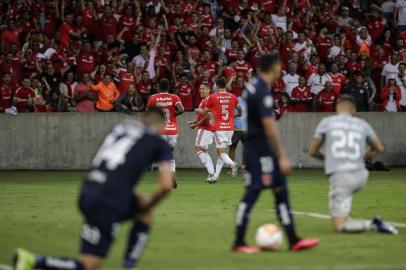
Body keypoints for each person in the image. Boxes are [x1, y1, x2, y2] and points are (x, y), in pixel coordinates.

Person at [13, 108, 175, 270]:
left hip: (88, 189)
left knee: (143, 211)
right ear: (161, 126)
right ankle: (33, 261)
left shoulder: (119, 128)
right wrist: (151, 202)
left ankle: (129, 265)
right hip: (108, 200)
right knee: (89, 264)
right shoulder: (158, 142)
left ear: (140, 119)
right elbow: (166, 185)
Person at [233, 53, 320, 254]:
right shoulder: (261, 90)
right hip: (260, 152)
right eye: (279, 65)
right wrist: (281, 155)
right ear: (273, 67)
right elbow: (268, 125)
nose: (281, 69)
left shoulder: (253, 86)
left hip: (261, 150)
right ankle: (238, 242)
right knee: (252, 193)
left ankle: (293, 239)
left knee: (281, 191)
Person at [308, 95, 398, 234]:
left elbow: (312, 151)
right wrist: (360, 158)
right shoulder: (362, 124)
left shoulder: (327, 122)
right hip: (361, 175)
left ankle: (373, 224)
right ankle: (347, 209)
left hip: (342, 176)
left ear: (337, 108)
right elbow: (379, 148)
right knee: (346, 196)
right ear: (354, 110)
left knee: (339, 226)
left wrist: (328, 159)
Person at [204, 77, 240, 183]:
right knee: (221, 151)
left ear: (217, 86)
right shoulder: (233, 96)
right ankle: (216, 176)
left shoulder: (212, 97)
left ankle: (233, 164)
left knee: (221, 152)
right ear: (225, 85)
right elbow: (240, 109)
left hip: (219, 127)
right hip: (230, 128)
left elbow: (205, 111)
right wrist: (234, 115)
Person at [147, 78, 184, 178]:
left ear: (158, 87)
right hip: (172, 130)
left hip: (160, 130)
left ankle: (164, 175)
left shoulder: (153, 98)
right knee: (170, 151)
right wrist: (174, 114)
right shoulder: (174, 97)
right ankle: (171, 172)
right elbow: (181, 109)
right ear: (169, 87)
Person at [189, 84, 216, 181]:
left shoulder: (207, 101)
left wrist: (195, 125)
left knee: (198, 150)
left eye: (203, 89)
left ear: (209, 90)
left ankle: (211, 173)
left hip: (205, 128)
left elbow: (207, 117)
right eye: (200, 88)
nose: (201, 90)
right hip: (208, 129)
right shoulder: (205, 100)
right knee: (204, 151)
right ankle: (212, 175)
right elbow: (204, 116)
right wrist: (195, 122)